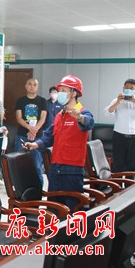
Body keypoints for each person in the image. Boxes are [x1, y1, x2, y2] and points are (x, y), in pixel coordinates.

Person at [24, 75, 94, 213]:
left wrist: (79, 117)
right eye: (59, 90)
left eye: (63, 90)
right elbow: (49, 136)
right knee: (53, 208)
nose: (59, 93)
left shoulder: (83, 112)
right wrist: (35, 145)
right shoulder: (59, 115)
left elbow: (89, 123)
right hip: (55, 168)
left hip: (72, 170)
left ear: (74, 93)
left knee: (71, 209)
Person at [104, 78, 135, 172]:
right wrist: (117, 103)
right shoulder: (116, 100)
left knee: (132, 164)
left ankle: (130, 182)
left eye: (131, 88)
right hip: (119, 136)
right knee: (118, 163)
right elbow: (107, 112)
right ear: (123, 88)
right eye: (126, 87)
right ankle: (117, 182)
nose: (128, 89)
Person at [14, 78, 48, 187]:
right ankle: (20, 188)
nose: (32, 86)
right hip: (22, 135)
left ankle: (39, 188)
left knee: (37, 164)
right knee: (19, 163)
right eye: (29, 84)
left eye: (34, 85)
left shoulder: (42, 101)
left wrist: (34, 130)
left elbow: (43, 118)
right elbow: (19, 118)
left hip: (37, 137)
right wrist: (29, 127)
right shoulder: (20, 101)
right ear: (26, 86)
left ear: (37, 87)